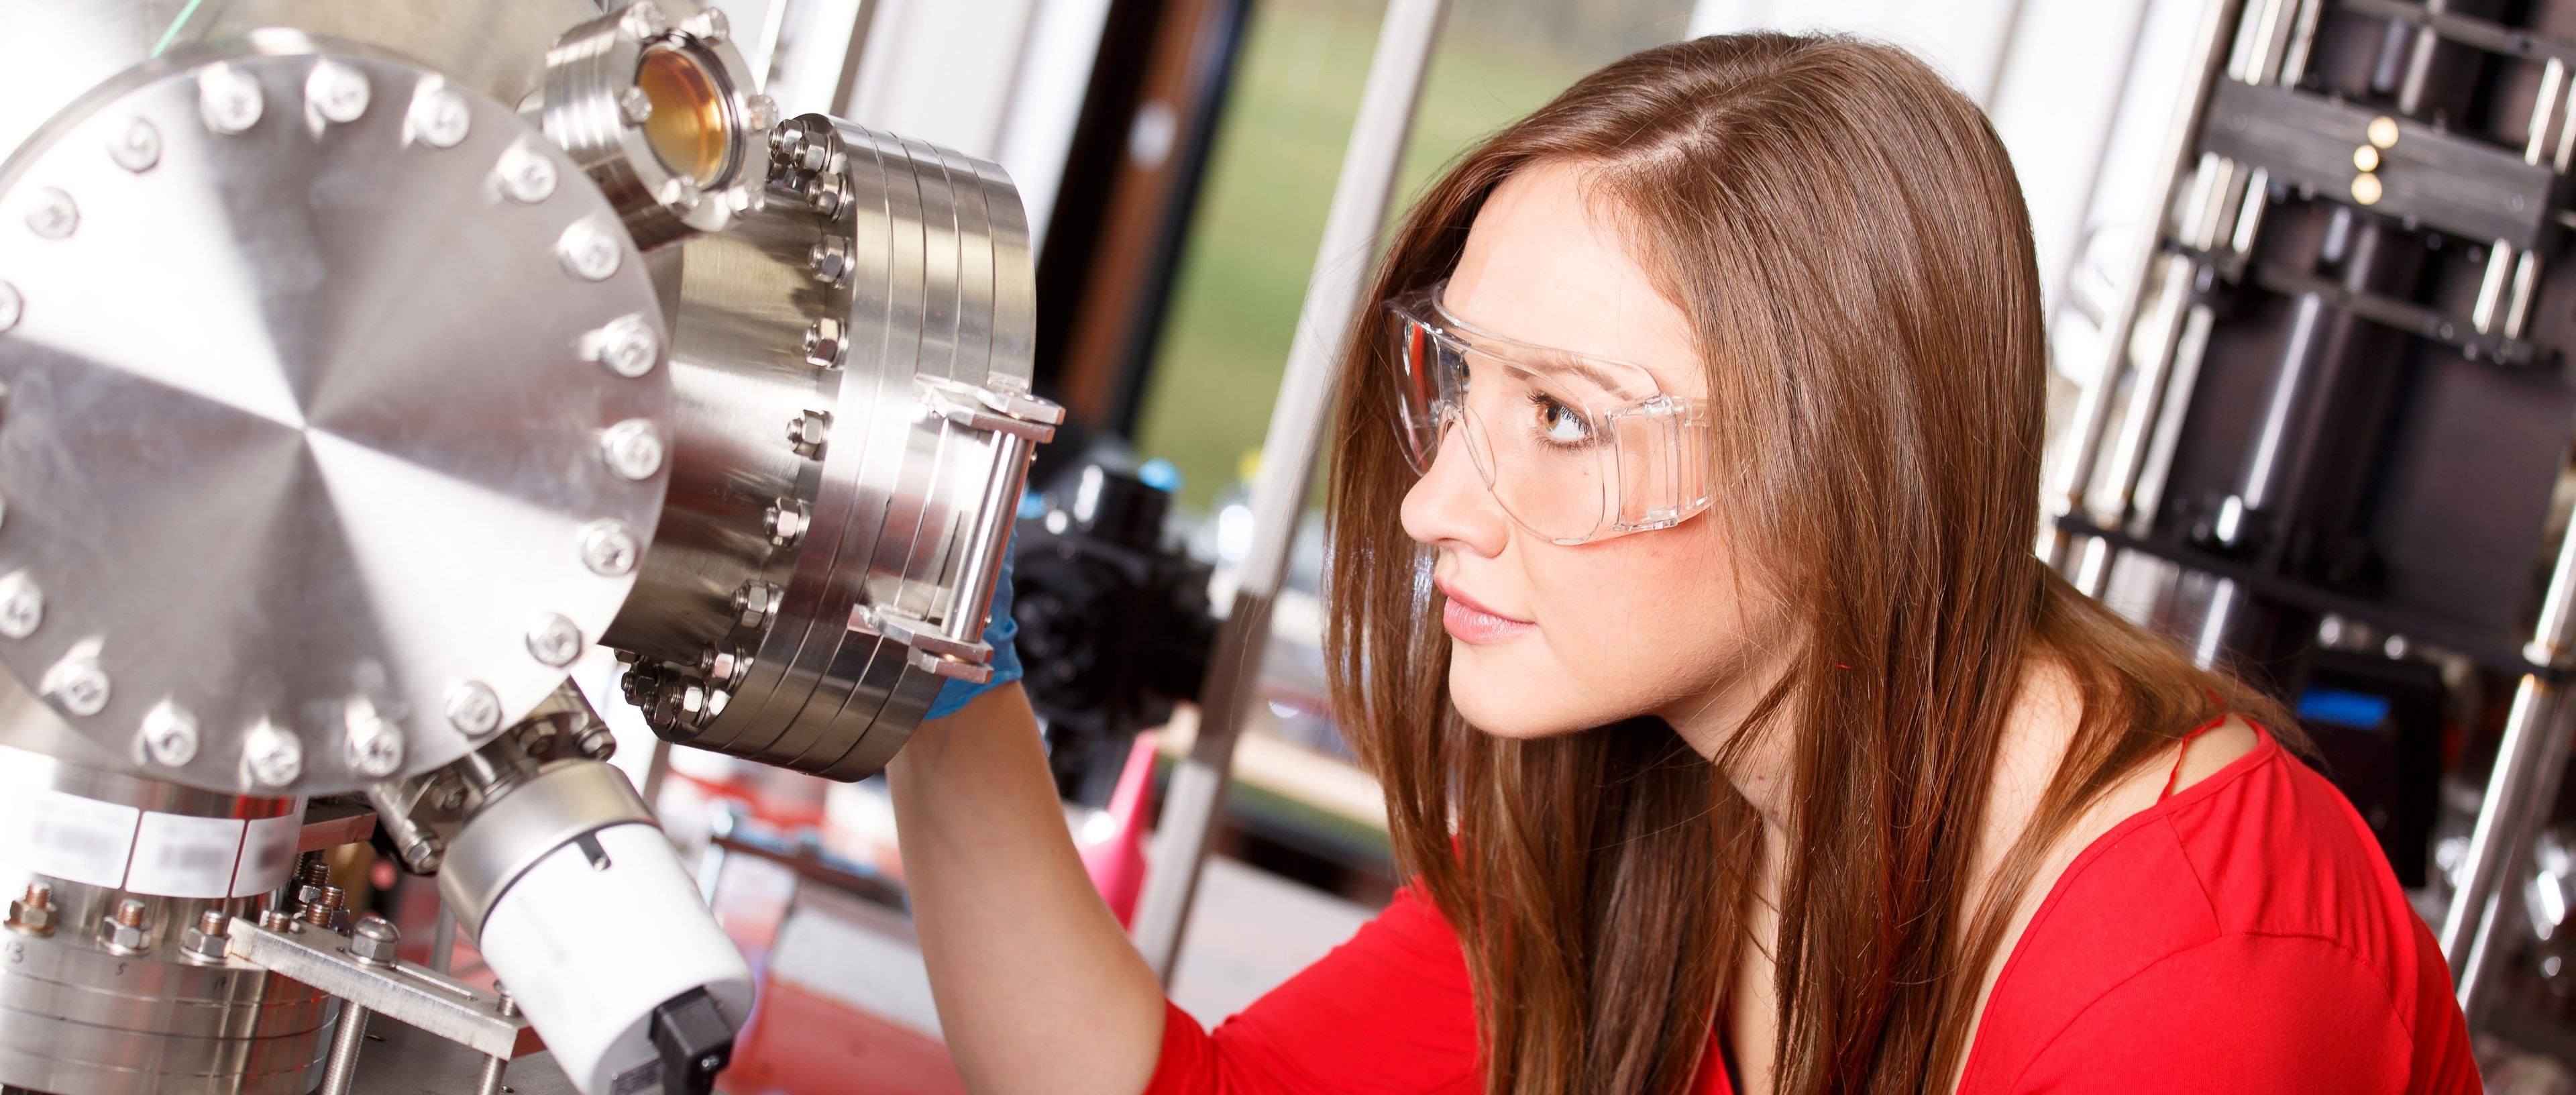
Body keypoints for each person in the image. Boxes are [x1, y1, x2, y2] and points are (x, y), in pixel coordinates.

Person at [889, 32, 2477, 1095]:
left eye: (1566, 418)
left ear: (1841, 472)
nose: (1437, 504)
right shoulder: (1649, 797)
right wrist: (922, 671)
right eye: (1462, 386)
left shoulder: (2195, 985)